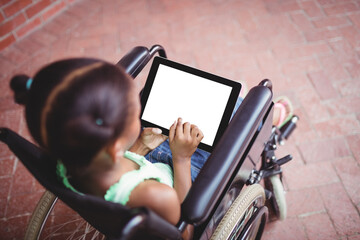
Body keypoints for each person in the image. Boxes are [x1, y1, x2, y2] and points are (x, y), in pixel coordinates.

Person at [10, 58, 293, 239]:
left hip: (142, 160)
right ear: (114, 147)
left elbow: (121, 169)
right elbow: (184, 231)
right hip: (183, 183)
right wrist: (182, 158)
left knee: (228, 103)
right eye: (135, 113)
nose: (139, 113)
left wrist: (138, 147)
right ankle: (270, 118)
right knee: (242, 111)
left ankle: (242, 101)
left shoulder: (59, 161)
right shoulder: (155, 196)